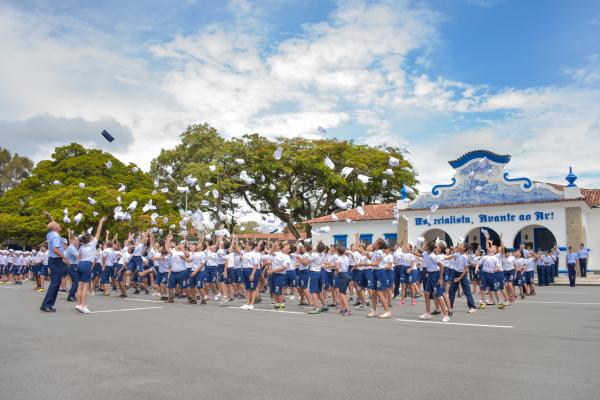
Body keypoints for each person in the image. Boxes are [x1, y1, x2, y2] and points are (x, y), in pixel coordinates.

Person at [40, 211, 70, 312]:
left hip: (52, 260)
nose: (59, 224)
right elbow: (56, 250)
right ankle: (47, 304)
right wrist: (65, 258)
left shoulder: (50, 234)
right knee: (55, 283)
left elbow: (52, 224)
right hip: (56, 261)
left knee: (55, 283)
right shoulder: (56, 236)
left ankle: (48, 304)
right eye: (57, 225)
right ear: (55, 228)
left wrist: (49, 216)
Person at [75, 216, 107, 313]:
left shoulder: (81, 247)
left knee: (79, 286)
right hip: (86, 265)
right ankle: (83, 305)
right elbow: (98, 232)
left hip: (80, 265)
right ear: (89, 239)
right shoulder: (93, 244)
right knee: (85, 286)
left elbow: (79, 257)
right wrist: (101, 222)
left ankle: (78, 303)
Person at [419, 240, 450, 322]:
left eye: (425, 245)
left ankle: (446, 315)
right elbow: (419, 254)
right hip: (430, 275)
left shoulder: (433, 256)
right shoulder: (426, 253)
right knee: (426, 293)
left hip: (435, 275)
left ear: (428, 247)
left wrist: (440, 278)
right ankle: (428, 314)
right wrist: (410, 251)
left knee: (438, 295)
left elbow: (441, 266)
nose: (424, 246)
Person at [447, 242, 476, 314]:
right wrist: (439, 257)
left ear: (464, 248)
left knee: (467, 291)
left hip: (463, 274)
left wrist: (460, 278)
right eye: (459, 245)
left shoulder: (465, 257)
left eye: (461, 245)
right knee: (451, 290)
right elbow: (447, 257)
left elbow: (466, 269)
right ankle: (450, 307)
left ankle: (472, 307)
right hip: (455, 272)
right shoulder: (456, 254)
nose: (459, 246)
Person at [240, 241, 260, 310]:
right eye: (245, 245)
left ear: (251, 246)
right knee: (248, 288)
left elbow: (256, 264)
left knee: (253, 288)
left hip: (252, 270)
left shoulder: (253, 254)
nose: (245, 246)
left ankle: (252, 303)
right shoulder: (245, 253)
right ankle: (247, 303)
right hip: (245, 270)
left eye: (247, 245)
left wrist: (252, 274)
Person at [64, 230, 80, 302]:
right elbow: (78, 256)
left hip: (72, 265)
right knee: (76, 281)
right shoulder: (71, 248)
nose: (77, 241)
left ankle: (72, 296)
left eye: (77, 240)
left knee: (75, 281)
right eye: (76, 240)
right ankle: (70, 296)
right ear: (72, 240)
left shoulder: (73, 247)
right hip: (71, 265)